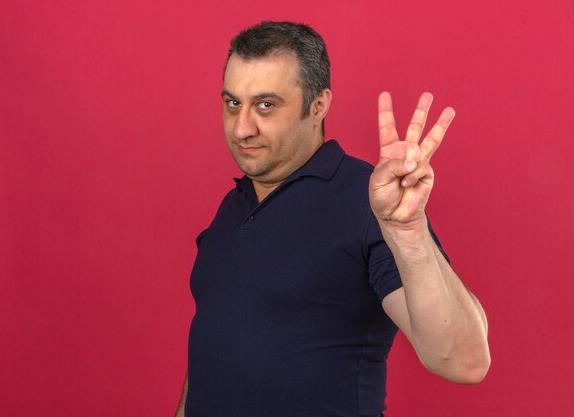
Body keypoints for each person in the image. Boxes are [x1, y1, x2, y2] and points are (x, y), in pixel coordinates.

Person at [176, 21, 490, 417]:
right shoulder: (231, 207)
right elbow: (211, 352)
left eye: (266, 105)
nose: (242, 128)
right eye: (233, 103)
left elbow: (463, 361)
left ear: (318, 105)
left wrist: (408, 233)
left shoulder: (368, 201)